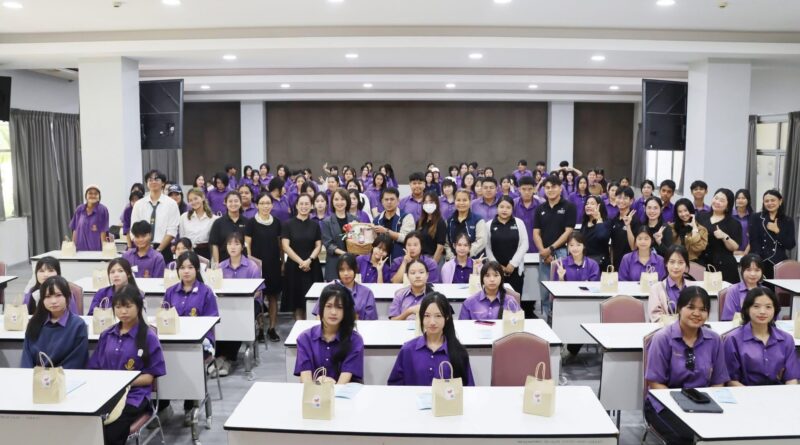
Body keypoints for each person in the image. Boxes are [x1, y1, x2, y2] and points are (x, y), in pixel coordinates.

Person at [644, 286, 729, 445]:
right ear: (679, 309)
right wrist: (682, 405)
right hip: (664, 404)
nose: (697, 313)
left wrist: (707, 406)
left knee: (725, 432)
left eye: (703, 309)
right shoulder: (662, 338)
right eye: (690, 307)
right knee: (685, 438)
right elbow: (655, 383)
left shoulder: (714, 339)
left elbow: (719, 381)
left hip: (702, 402)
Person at [88, 285, 166, 445]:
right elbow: (94, 368)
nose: (123, 311)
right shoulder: (107, 334)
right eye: (118, 307)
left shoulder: (148, 337)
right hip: (105, 393)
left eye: (128, 306)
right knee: (86, 420)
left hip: (134, 396)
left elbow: (148, 378)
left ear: (138, 306)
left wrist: (121, 383)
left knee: (113, 427)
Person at [388, 292, 475, 386]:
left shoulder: (459, 352)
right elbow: (394, 386)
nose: (432, 322)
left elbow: (468, 388)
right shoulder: (408, 350)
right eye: (427, 316)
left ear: (447, 317)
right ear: (421, 318)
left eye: (438, 316)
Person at [724, 287, 799, 386]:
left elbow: (792, 379)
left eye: (768, 307)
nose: (762, 312)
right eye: (756, 306)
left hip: (779, 395)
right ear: (747, 309)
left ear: (775, 310)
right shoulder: (733, 339)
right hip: (745, 395)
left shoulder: (786, 339)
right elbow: (731, 380)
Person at [295, 284, 365, 384]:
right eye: (328, 306)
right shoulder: (305, 338)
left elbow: (343, 382)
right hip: (314, 395)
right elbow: (306, 380)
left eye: (339, 307)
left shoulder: (355, 340)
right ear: (321, 308)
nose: (333, 312)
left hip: (344, 395)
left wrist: (332, 386)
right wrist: (318, 386)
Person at [21, 276, 88, 369]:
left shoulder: (78, 325)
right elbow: (26, 358)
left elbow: (77, 360)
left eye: (58, 295)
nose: (53, 301)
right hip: (36, 377)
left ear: (68, 296)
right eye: (47, 296)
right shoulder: (34, 322)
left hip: (65, 378)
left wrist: (52, 377)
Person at [533, 175, 576, 321]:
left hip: (561, 252)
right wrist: (543, 251)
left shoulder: (569, 207)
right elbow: (536, 232)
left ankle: (561, 320)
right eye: (547, 187)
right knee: (544, 290)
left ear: (560, 188)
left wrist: (550, 249)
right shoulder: (540, 208)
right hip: (544, 253)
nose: (550, 190)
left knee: (560, 288)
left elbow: (568, 231)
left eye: (553, 187)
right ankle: (547, 319)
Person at [244, 192, 284, 342]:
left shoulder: (277, 222)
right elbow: (247, 244)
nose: (265, 206)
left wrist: (282, 263)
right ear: (256, 205)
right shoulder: (251, 223)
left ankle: (272, 328)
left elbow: (281, 246)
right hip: (257, 267)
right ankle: (260, 328)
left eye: (268, 203)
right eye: (262, 203)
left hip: (274, 264)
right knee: (259, 298)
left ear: (272, 205)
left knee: (273, 297)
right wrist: (250, 264)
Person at [282, 194, 324, 320]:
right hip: (294, 267)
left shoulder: (315, 225)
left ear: (311, 206)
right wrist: (301, 262)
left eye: (307, 204)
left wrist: (309, 260)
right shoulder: (288, 224)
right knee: (297, 304)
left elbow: (318, 246)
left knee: (313, 301)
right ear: (296, 206)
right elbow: (285, 246)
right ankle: (299, 333)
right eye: (301, 204)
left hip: (312, 267)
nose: (304, 206)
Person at [130, 169, 180, 264]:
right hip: (141, 249)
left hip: (163, 250)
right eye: (150, 179)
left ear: (163, 183)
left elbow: (172, 231)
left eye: (156, 179)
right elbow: (133, 229)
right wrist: (141, 246)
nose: (153, 182)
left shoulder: (171, 204)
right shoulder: (139, 204)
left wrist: (158, 250)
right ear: (146, 183)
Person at [696, 188, 742, 284]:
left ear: (728, 205)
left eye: (722, 201)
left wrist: (724, 236)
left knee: (724, 296)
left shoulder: (734, 223)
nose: (717, 202)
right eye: (716, 198)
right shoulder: (701, 216)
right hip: (702, 263)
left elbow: (734, 247)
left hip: (724, 266)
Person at [312, 255, 378, 320]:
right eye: (342, 270)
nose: (346, 273)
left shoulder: (367, 293)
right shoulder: (329, 290)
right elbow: (319, 317)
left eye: (349, 269)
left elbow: (371, 321)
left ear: (355, 270)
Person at [749, 189, 796, 279]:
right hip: (759, 261)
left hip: (779, 262)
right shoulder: (756, 217)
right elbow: (754, 241)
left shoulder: (787, 220)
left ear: (780, 201)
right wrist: (758, 261)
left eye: (773, 200)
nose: (770, 203)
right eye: (766, 201)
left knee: (777, 291)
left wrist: (778, 231)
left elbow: (790, 245)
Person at [485, 196, 528, 294]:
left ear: (512, 209)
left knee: (514, 301)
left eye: (508, 207)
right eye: (501, 207)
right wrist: (497, 266)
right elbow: (487, 247)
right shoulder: (489, 225)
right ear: (497, 208)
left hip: (515, 270)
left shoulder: (519, 223)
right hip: (494, 271)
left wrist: (512, 264)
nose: (504, 210)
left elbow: (524, 244)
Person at [321, 189, 358, 281]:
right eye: (336, 199)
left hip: (352, 263)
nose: (339, 202)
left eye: (342, 199)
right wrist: (345, 254)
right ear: (332, 202)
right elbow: (329, 245)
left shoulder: (355, 220)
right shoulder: (326, 222)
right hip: (334, 263)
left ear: (347, 201)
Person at [648, 245, 690, 322]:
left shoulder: (693, 288)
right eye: (672, 262)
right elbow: (655, 317)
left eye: (680, 262)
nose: (676, 266)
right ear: (666, 263)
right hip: (666, 331)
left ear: (686, 265)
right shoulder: (656, 289)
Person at [372, 187, 415, 260]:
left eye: (392, 199)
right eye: (386, 199)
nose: (389, 202)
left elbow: (407, 238)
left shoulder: (406, 217)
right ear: (382, 201)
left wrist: (386, 231)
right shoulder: (376, 220)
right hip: (381, 261)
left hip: (401, 259)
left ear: (398, 201)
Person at [208, 191, 249, 264]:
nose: (233, 204)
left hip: (243, 264)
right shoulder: (218, 223)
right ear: (225, 203)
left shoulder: (247, 222)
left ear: (240, 203)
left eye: (236, 201)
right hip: (223, 263)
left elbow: (248, 244)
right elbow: (214, 245)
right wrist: (217, 264)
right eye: (230, 201)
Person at [720, 254, 765, 321]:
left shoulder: (766, 291)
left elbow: (774, 318)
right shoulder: (733, 290)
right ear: (741, 270)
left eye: (757, 270)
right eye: (748, 270)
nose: (753, 274)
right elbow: (728, 318)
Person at [446, 189, 487, 260]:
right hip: (453, 261)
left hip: (474, 260)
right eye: (458, 200)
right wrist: (452, 257)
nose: (461, 203)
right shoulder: (449, 221)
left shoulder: (478, 220)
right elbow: (446, 243)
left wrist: (466, 254)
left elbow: (481, 241)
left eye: (465, 200)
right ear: (454, 202)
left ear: (470, 202)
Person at [179, 187, 218, 260]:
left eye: (196, 198)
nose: (193, 202)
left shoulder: (213, 219)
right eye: (190, 200)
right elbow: (182, 238)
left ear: (203, 198)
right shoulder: (184, 217)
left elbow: (214, 244)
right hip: (188, 254)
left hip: (206, 254)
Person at [69, 184, 109, 251]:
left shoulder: (103, 210)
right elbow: (75, 229)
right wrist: (72, 246)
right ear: (86, 196)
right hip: (80, 250)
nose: (93, 196)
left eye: (96, 194)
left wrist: (104, 250)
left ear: (99, 196)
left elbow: (103, 232)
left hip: (96, 251)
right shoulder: (79, 209)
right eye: (90, 193)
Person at [609, 186, 640, 270]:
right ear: (615, 199)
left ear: (631, 201)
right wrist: (611, 262)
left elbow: (634, 247)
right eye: (619, 197)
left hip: (631, 262)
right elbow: (612, 244)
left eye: (625, 198)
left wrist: (628, 225)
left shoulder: (635, 220)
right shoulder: (614, 219)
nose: (621, 201)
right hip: (616, 262)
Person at [513, 175, 540, 255]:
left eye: (530, 189)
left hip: (536, 247)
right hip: (517, 248)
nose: (527, 192)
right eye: (524, 189)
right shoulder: (513, 204)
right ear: (519, 189)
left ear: (534, 189)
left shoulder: (541, 205)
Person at [417, 191, 447, 263]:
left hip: (435, 258)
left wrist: (432, 264)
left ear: (436, 203)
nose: (428, 205)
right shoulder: (420, 222)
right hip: (421, 258)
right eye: (426, 202)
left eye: (431, 202)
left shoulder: (440, 222)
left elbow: (440, 247)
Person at [581, 195, 610, 269]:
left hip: (600, 264)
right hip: (586, 263)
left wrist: (599, 219)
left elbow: (602, 236)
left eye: (592, 204)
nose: (588, 206)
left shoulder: (606, 222)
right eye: (587, 204)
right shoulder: (585, 223)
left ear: (599, 206)